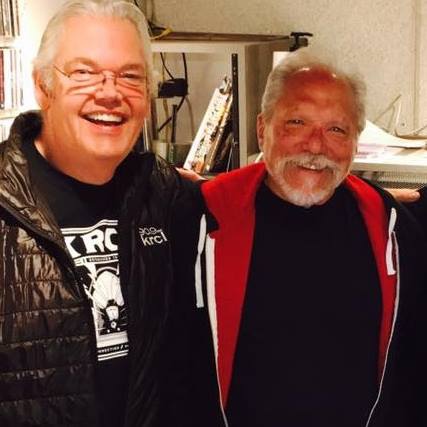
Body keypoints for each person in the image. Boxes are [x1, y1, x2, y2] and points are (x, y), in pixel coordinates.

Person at [0, 1, 222, 426]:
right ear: (43, 86)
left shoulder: (165, 196)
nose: (109, 92)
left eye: (130, 76)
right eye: (84, 72)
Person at [200, 51, 427, 426]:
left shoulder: (393, 231)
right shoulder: (202, 221)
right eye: (297, 122)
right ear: (262, 129)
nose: (316, 146)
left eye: (337, 129)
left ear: (355, 142)